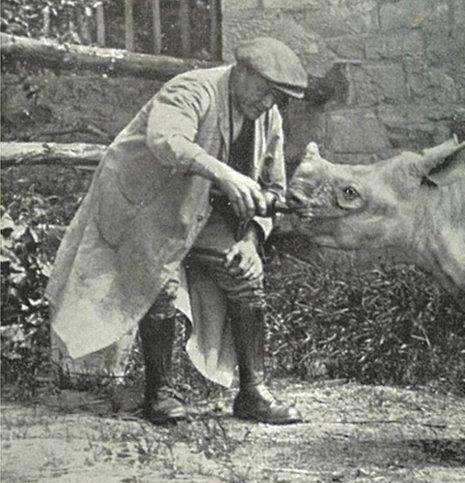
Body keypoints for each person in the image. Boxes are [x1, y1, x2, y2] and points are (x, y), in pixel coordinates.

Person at [46, 37, 307, 425]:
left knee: (245, 276)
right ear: (242, 72)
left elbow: (273, 189)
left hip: (198, 213)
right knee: (159, 282)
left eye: (278, 98)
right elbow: (166, 140)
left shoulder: (267, 118)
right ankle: (159, 394)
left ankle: (253, 393)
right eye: (265, 91)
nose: (269, 103)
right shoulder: (192, 89)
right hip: (143, 205)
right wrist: (225, 174)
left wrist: (252, 238)